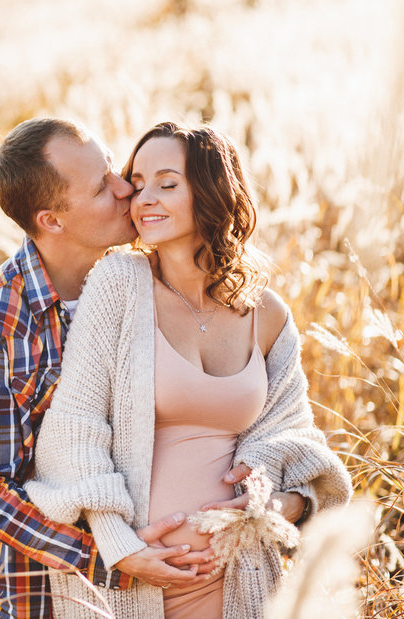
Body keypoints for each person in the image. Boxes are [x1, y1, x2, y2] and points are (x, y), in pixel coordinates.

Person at [24, 122, 352, 619]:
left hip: (239, 580)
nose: (143, 199)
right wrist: (120, 547)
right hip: (133, 582)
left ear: (213, 191)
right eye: (137, 183)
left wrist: (289, 505)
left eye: (167, 183)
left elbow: (296, 439)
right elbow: (74, 428)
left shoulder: (267, 314)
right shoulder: (117, 284)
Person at [0, 118, 266, 619]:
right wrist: (113, 559)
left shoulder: (145, 281)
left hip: (188, 590)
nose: (127, 190)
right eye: (102, 188)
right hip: (46, 595)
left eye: (117, 171)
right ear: (52, 220)